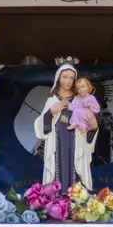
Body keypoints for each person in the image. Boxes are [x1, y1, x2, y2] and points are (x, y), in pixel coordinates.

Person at [34, 61, 98, 191]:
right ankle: (56, 202)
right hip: (57, 143)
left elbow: (90, 126)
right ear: (58, 78)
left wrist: (94, 127)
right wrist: (51, 112)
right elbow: (40, 127)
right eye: (65, 77)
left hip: (76, 142)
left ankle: (77, 200)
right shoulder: (52, 100)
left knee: (76, 174)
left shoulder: (80, 100)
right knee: (57, 170)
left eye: (71, 78)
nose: (68, 81)